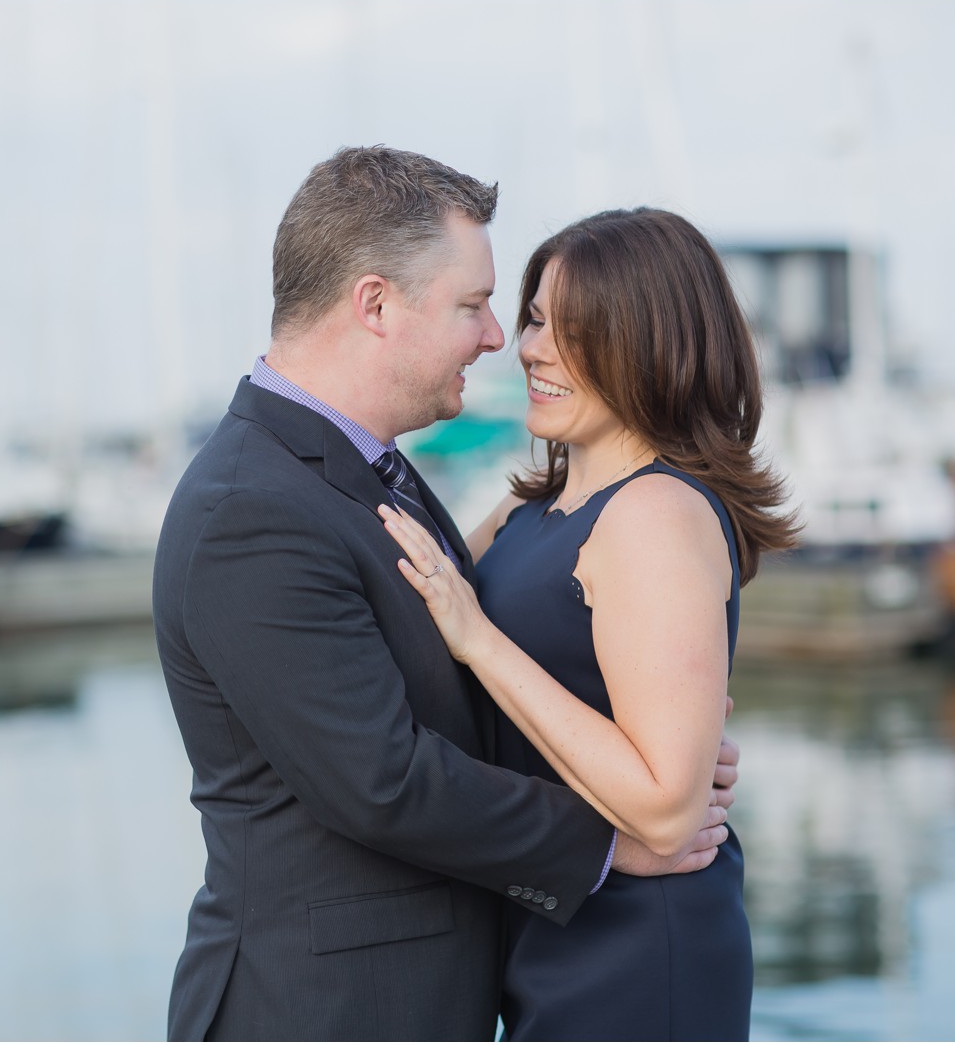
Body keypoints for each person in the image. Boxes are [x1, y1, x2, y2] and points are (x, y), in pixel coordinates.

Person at [153, 147, 739, 1041]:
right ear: (377, 303)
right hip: (326, 1011)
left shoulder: (366, 471)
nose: (502, 338)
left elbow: (475, 655)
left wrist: (667, 758)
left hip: (499, 976)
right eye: (477, 305)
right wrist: (613, 838)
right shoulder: (252, 508)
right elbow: (382, 778)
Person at [381, 207, 799, 1039]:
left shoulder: (657, 512)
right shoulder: (530, 506)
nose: (532, 347)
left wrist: (482, 643)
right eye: (536, 317)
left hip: (641, 945)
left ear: (652, 346)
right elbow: (419, 622)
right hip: (552, 924)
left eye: (576, 330)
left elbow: (666, 807)